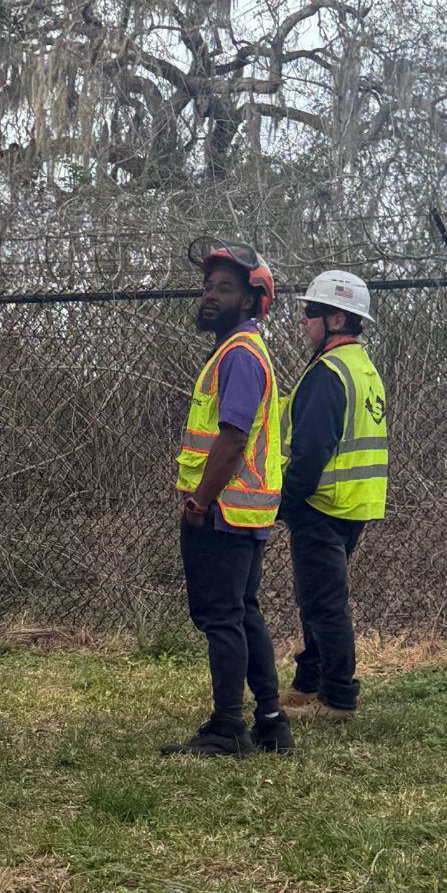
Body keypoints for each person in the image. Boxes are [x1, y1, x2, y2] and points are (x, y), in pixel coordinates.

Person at [163, 242, 293, 758]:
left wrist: (199, 502)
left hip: (222, 512)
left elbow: (233, 437)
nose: (210, 296)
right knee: (243, 614)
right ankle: (271, 721)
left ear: (250, 299)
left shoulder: (239, 355)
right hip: (246, 511)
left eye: (224, 288)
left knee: (222, 618)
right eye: (207, 286)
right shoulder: (240, 351)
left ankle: (226, 728)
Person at [279, 269, 389, 721]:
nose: (304, 320)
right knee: (316, 596)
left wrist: (281, 504)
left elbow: (309, 452)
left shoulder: (329, 373)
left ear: (337, 320)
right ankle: (310, 681)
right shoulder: (362, 369)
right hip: (350, 504)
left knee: (324, 603)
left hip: (321, 503)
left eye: (312, 312)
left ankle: (337, 698)